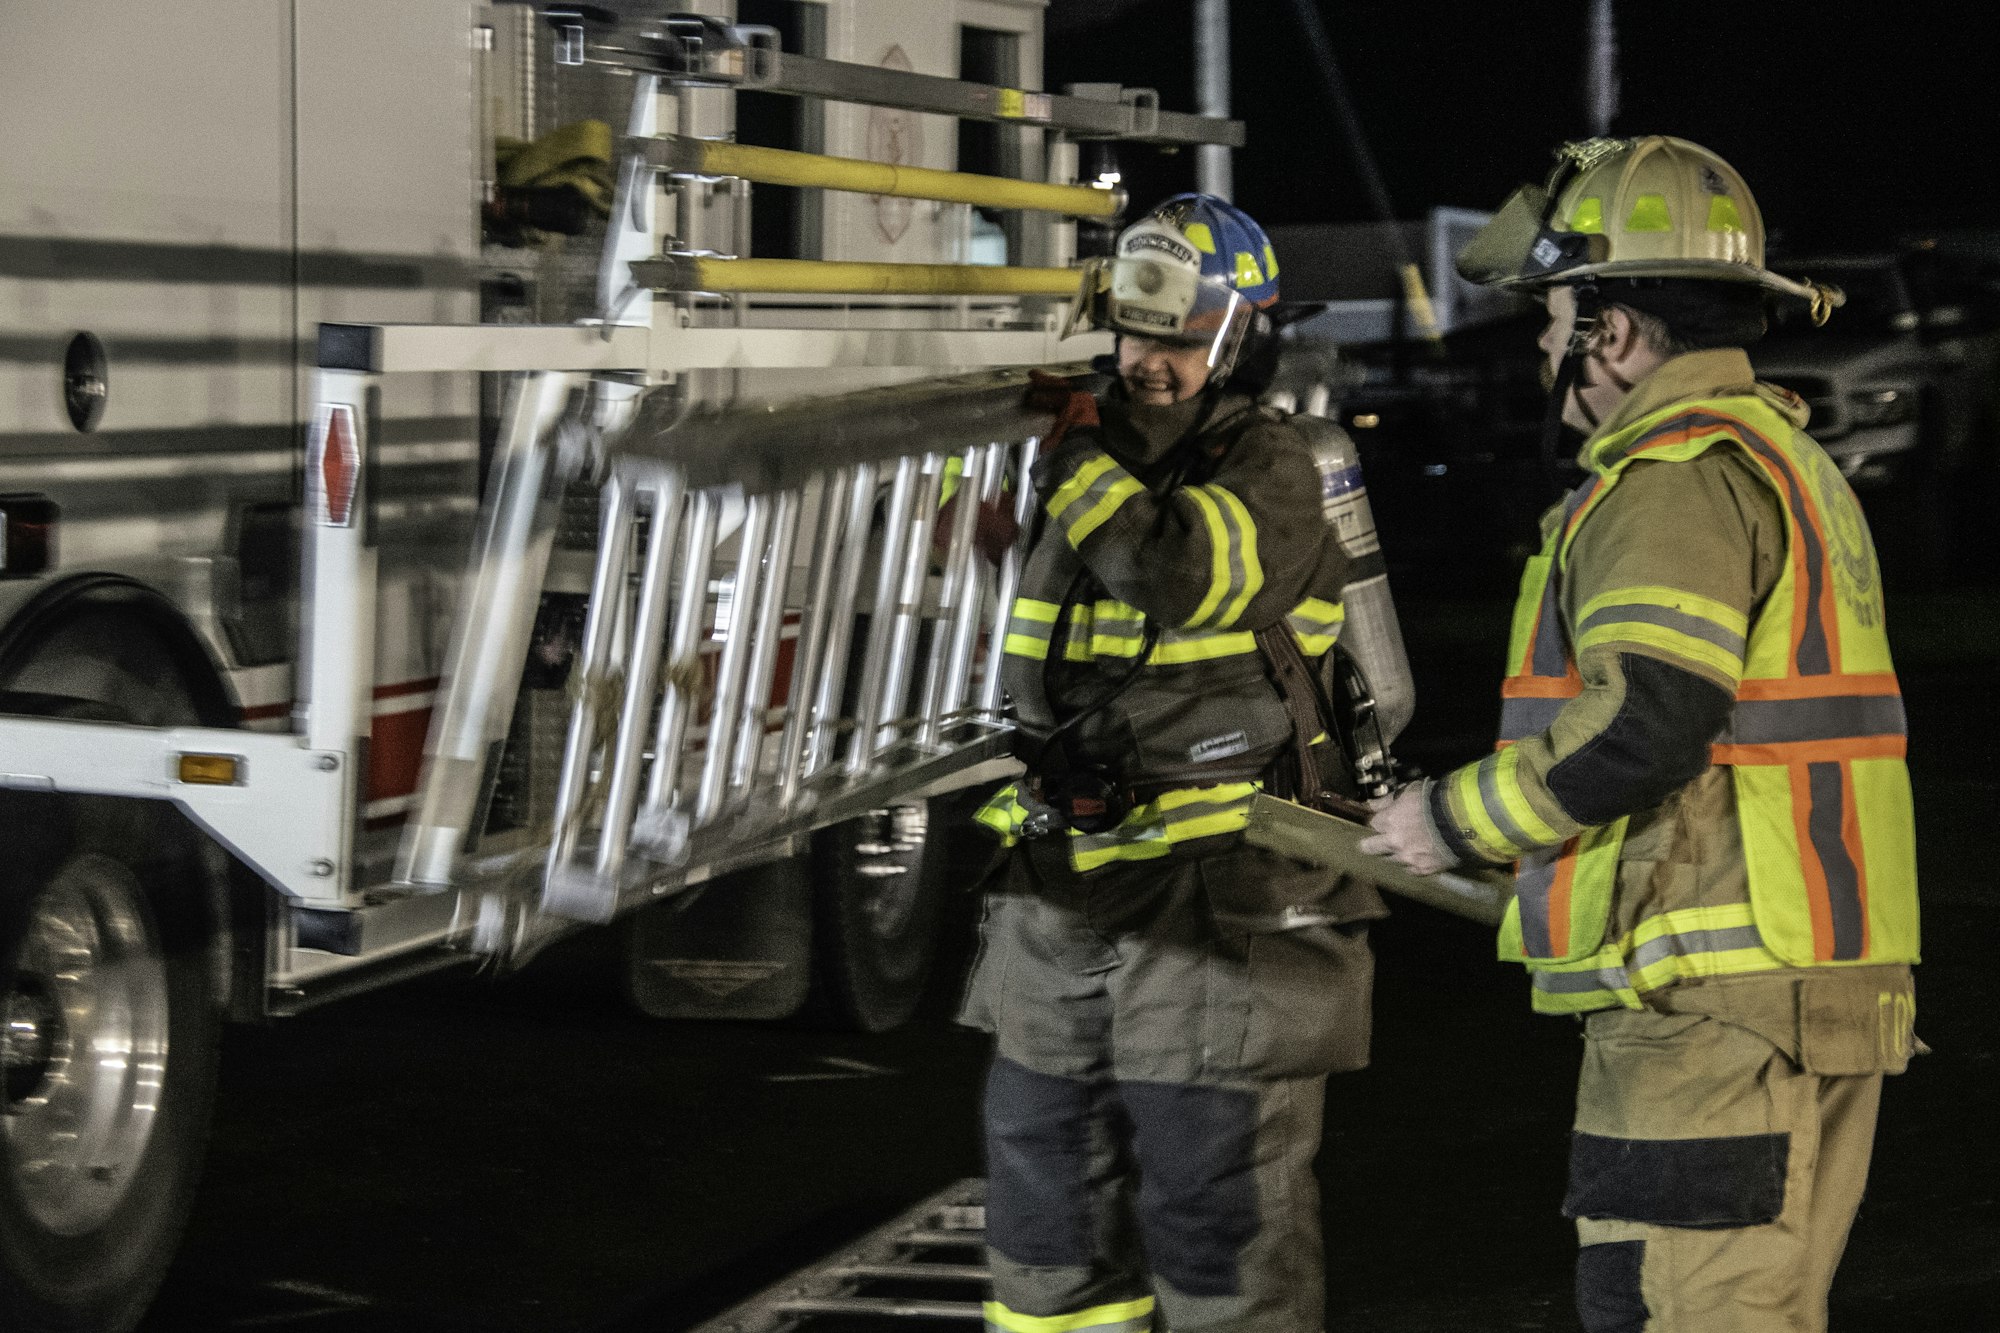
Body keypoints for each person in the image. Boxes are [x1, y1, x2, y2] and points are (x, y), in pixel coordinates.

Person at [1361, 136, 1920, 1333]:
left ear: (1611, 333)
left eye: (1551, 319)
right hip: (1808, 988)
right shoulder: (1786, 461)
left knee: (1669, 1313)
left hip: (1704, 1011)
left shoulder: (1667, 479)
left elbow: (1644, 725)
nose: (1544, 348)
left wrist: (1441, 818)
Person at [959, 194, 1382, 1333]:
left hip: (1216, 890)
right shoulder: (1075, 461)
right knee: (1041, 1194)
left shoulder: (1273, 463)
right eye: (1139, 333)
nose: (1154, 361)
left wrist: (1077, 463)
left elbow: (1179, 575)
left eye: (1182, 339)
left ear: (1240, 337)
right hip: (1060, 877)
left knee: (1215, 1209)